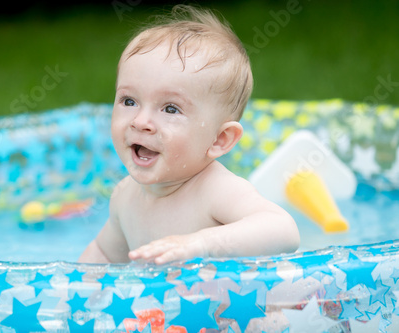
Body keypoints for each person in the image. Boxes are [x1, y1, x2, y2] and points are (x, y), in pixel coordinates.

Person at [79, 5, 299, 265]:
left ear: (220, 140)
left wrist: (202, 243)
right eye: (129, 101)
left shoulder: (215, 190)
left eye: (170, 109)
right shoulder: (124, 196)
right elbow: (103, 255)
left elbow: (284, 231)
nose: (141, 121)